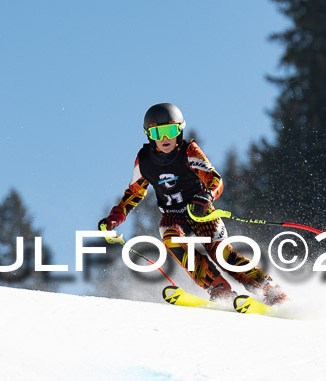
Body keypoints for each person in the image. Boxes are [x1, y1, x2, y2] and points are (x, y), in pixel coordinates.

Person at [98, 103, 287, 306]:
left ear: (179, 130)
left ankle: (267, 289)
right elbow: (135, 192)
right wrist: (114, 218)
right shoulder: (144, 160)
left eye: (169, 131)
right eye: (157, 132)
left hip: (200, 212)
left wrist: (206, 197)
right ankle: (218, 287)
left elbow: (215, 180)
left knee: (222, 254)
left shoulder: (189, 150)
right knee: (172, 240)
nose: (164, 138)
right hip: (173, 216)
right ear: (148, 135)